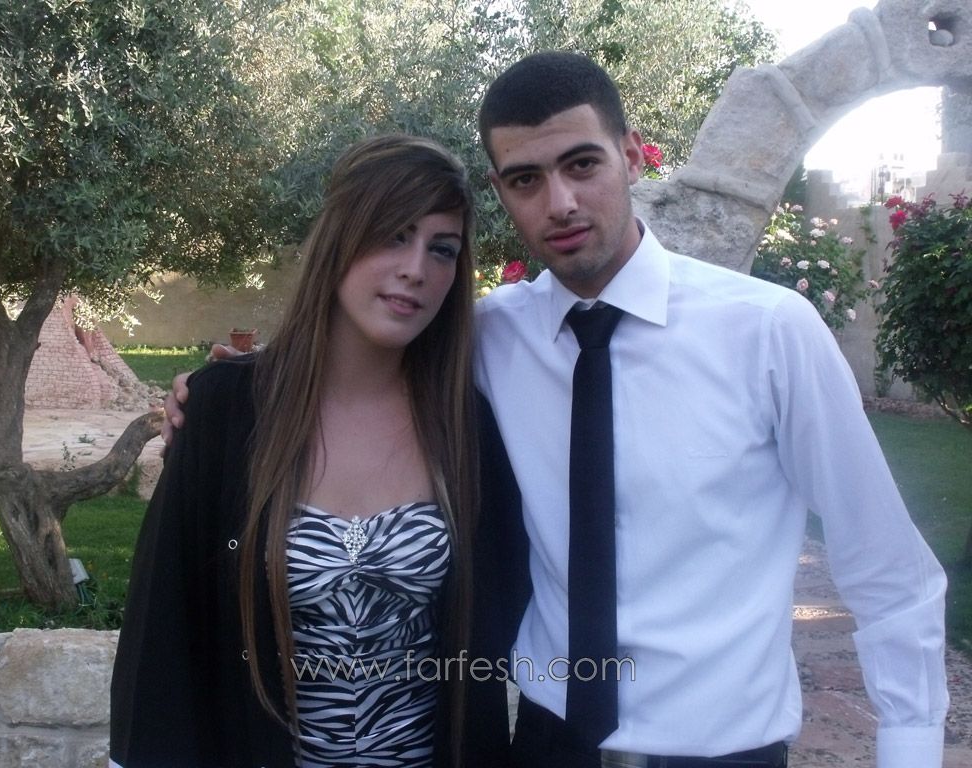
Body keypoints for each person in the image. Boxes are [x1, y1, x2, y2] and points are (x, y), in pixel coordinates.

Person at [165, 53, 950, 768]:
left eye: (582, 164)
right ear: (502, 191)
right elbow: (362, 343)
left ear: (632, 155)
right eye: (526, 179)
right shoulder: (491, 336)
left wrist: (910, 750)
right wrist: (235, 391)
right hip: (545, 746)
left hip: (720, 753)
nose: (561, 202)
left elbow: (887, 569)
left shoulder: (769, 333)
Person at [110, 134, 480, 768]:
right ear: (339, 239)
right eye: (393, 235)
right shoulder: (226, 409)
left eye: (442, 249)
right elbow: (164, 622)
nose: (416, 269)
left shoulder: (464, 420)